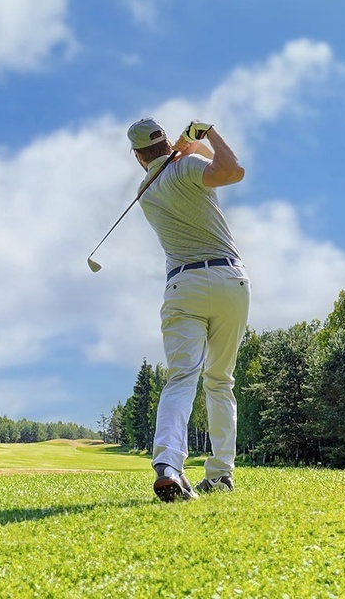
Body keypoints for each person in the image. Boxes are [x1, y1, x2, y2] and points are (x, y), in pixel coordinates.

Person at [126, 117, 251, 502]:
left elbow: (177, 167)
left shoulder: (145, 189)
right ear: (167, 142)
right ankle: (220, 475)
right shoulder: (187, 166)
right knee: (221, 380)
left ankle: (168, 466)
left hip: (182, 285)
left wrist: (186, 147)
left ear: (136, 156)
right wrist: (206, 133)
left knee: (182, 378)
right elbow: (233, 170)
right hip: (230, 280)